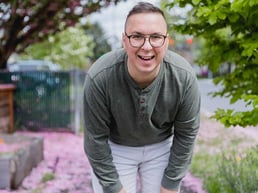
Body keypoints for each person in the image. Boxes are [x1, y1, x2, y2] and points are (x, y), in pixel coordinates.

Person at [83, 2, 201, 193]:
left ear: (166, 40)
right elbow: (95, 139)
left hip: (161, 146)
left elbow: (186, 134)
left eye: (156, 37)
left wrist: (170, 184)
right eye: (137, 37)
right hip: (116, 148)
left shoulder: (183, 77)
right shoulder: (100, 77)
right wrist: (113, 186)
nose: (147, 47)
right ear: (124, 40)